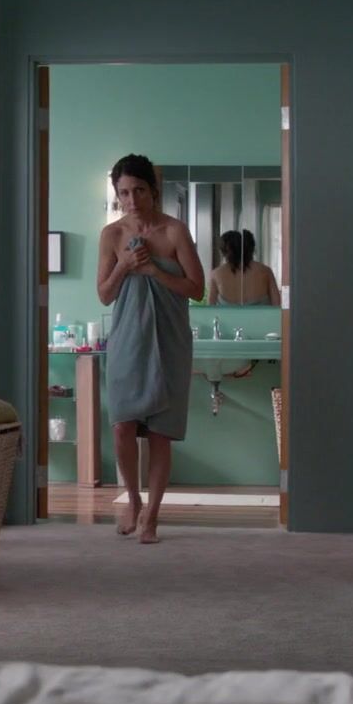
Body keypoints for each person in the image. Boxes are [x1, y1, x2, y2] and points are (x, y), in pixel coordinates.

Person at [96, 154, 205, 544]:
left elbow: (197, 289)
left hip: (170, 340)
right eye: (124, 192)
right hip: (127, 339)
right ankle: (133, 501)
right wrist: (124, 265)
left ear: (153, 191)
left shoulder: (175, 231)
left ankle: (153, 516)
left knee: (160, 432)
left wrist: (155, 271)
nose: (132, 200)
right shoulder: (111, 235)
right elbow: (104, 295)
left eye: (139, 190)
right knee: (122, 426)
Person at [207, 229, 282, 306]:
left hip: (226, 315)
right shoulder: (265, 271)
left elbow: (210, 307)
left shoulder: (216, 274)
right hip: (262, 314)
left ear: (223, 251)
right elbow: (277, 304)